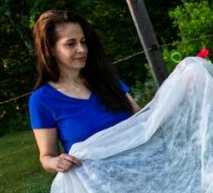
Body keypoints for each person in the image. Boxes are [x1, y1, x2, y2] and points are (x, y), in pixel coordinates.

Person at [29, 10, 141, 174]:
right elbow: (46, 157)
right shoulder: (42, 100)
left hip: (142, 171)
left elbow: (141, 120)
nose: (82, 49)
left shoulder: (105, 80)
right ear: (51, 49)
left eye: (83, 41)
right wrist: (55, 162)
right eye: (70, 44)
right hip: (98, 188)